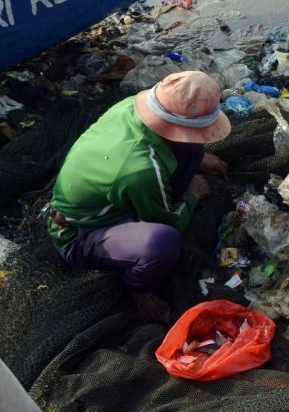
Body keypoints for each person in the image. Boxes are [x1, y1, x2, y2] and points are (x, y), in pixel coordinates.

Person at [47, 71, 231, 319]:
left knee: (192, 151)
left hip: (115, 189)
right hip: (79, 233)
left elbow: (184, 141)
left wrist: (199, 156)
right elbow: (170, 222)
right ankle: (139, 290)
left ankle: (149, 204)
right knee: (163, 242)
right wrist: (192, 195)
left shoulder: (129, 106)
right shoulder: (142, 169)